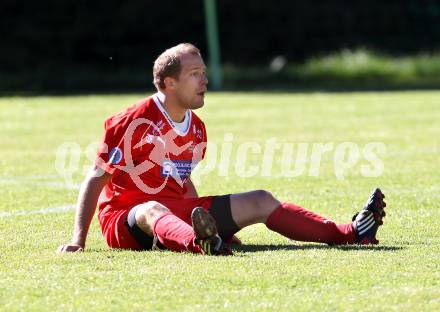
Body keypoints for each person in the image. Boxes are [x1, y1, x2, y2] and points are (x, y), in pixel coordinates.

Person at [58, 43, 387, 255]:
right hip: (124, 221)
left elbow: (183, 184)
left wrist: (216, 224)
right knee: (152, 208)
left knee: (260, 199)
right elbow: (95, 179)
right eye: (195, 74)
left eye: (203, 72)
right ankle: (200, 243)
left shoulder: (197, 130)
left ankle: (350, 232)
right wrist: (78, 241)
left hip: (177, 211)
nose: (205, 80)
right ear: (169, 83)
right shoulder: (129, 122)